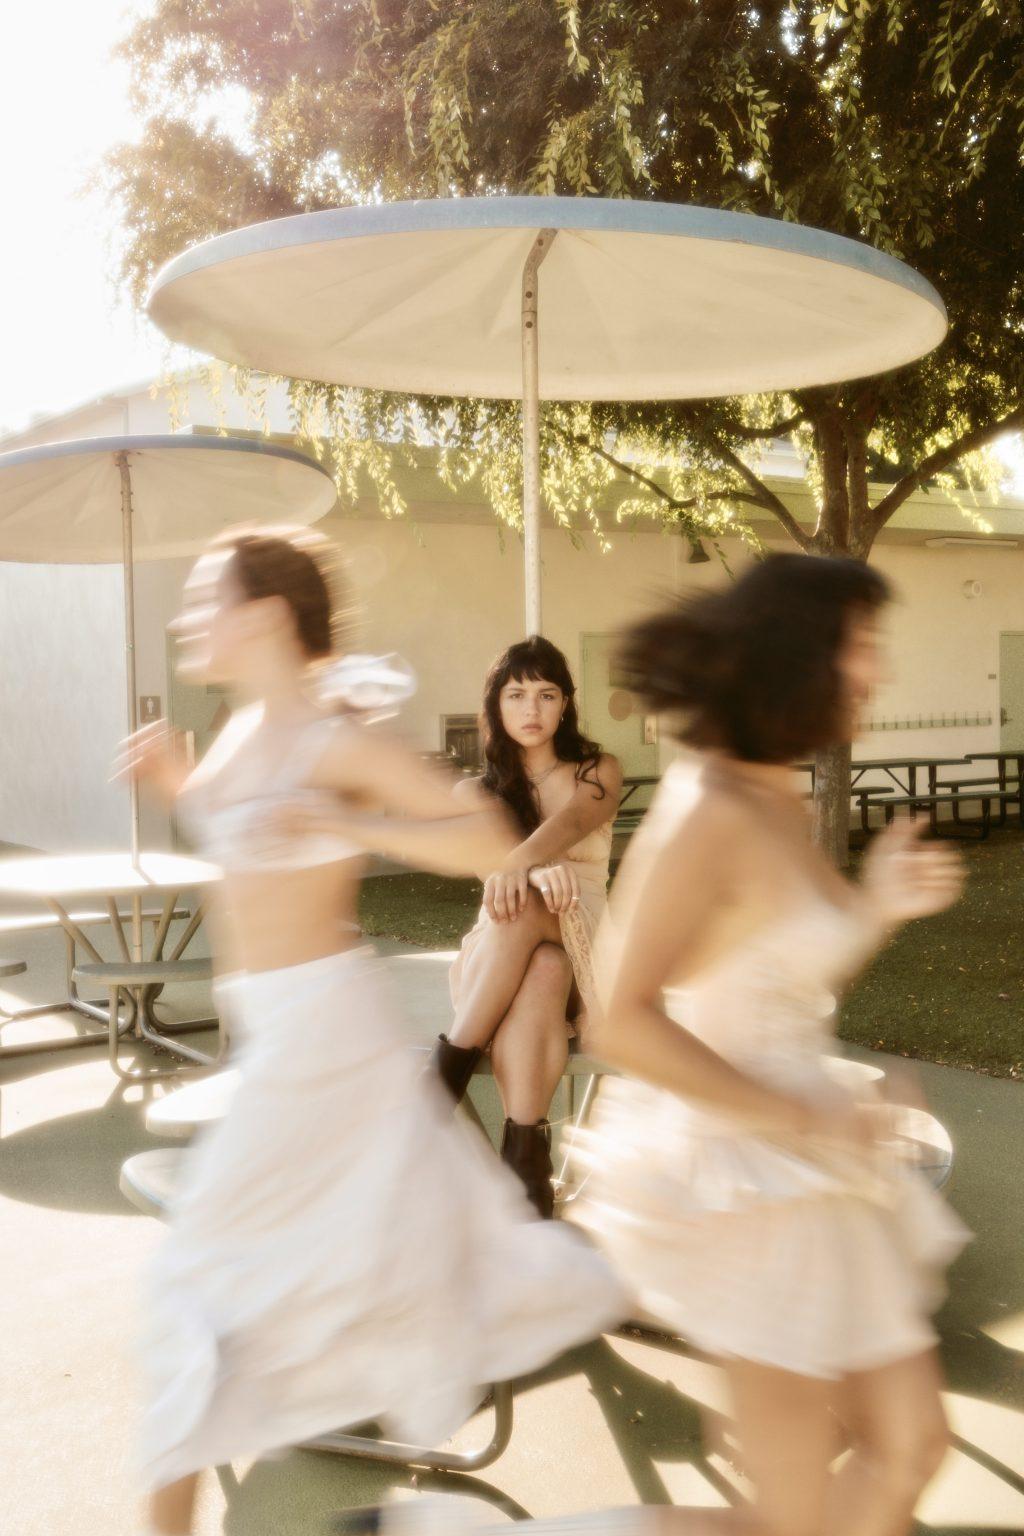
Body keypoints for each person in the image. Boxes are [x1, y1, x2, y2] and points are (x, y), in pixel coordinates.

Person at [118, 527, 627, 1536]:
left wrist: (349, 827)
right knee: (239, 1301)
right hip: (275, 1039)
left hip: (317, 1042)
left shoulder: (326, 735)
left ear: (264, 615)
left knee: (191, 1303)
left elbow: (482, 835)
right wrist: (183, 787)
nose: (187, 617)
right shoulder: (237, 728)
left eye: (204, 596)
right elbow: (252, 843)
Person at [440, 637, 621, 1216]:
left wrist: (529, 866)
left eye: (546, 695)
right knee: (543, 960)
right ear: (495, 707)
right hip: (503, 958)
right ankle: (526, 1164)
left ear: (565, 704)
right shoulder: (473, 793)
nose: (532, 709)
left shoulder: (598, 771)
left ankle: (442, 1078)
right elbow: (495, 879)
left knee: (539, 916)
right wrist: (532, 875)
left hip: (590, 946)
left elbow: (572, 824)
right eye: (516, 695)